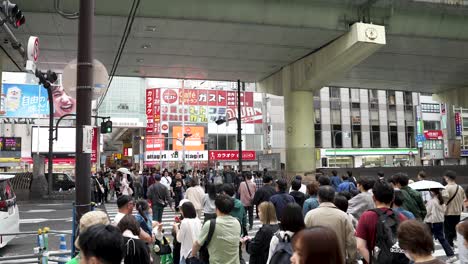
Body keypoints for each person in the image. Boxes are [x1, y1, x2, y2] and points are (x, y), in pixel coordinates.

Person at [356, 180, 408, 264]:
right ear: (393, 198)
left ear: (373, 198)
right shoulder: (401, 217)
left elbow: (360, 246)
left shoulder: (366, 216)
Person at [304, 186, 357, 263]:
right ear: (333, 198)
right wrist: (351, 259)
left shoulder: (310, 215)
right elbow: (351, 241)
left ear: (318, 198)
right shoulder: (344, 216)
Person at [192, 194, 241, 264]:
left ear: (216, 208)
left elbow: (197, 244)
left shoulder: (210, 224)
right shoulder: (237, 222)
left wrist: (192, 255)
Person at [424, 189, 457, 262]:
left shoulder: (431, 201)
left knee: (429, 238)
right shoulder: (441, 201)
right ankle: (451, 255)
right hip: (440, 221)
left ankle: (428, 255)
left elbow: (427, 212)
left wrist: (425, 205)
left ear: (432, 192)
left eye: (430, 192)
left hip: (432, 222)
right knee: (442, 238)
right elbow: (444, 210)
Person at [442, 170, 466, 247]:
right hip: (457, 212)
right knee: (455, 229)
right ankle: (456, 243)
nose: (445, 178)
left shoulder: (445, 188)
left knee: (448, 231)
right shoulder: (460, 188)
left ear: (447, 178)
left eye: (445, 177)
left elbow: (444, 201)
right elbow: (463, 199)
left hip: (448, 212)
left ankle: (450, 245)